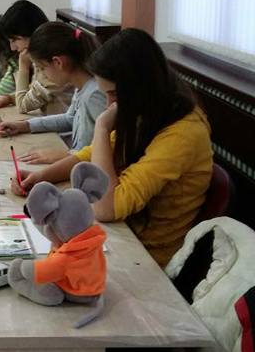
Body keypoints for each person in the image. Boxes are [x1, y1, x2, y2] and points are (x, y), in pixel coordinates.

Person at [14, 28, 213, 267]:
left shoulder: (182, 134)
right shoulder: (147, 111)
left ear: (142, 86)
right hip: (123, 232)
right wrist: (41, 177)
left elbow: (106, 208)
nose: (109, 104)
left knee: (41, 267)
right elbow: (91, 155)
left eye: (114, 94)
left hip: (148, 256)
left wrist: (101, 126)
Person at [0, 22, 107, 161]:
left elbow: (107, 150)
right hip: (76, 162)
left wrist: (65, 156)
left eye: (41, 68)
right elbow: (69, 119)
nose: (42, 74)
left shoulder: (95, 95)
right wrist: (25, 125)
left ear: (58, 63)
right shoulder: (81, 87)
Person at [0, 0, 71, 114]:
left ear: (32, 34)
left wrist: (23, 67)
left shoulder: (52, 65)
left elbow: (23, 105)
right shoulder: (42, 59)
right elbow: (33, 91)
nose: (12, 48)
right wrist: (8, 99)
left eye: (15, 40)